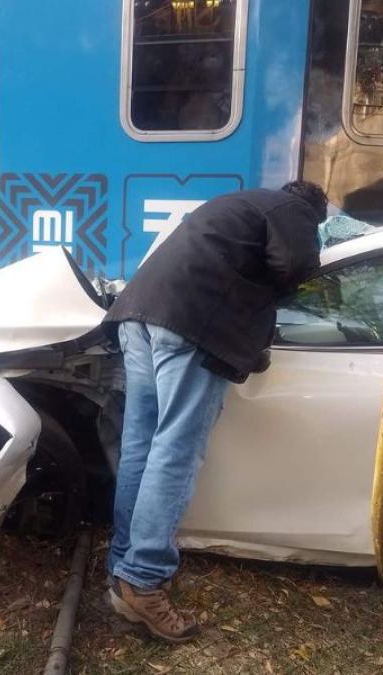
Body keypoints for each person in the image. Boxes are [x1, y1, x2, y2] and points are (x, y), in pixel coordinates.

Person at [102, 183, 325, 641]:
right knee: (175, 452)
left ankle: (123, 569)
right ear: (313, 209)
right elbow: (297, 265)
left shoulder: (236, 204)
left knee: (141, 448)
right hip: (191, 323)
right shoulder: (292, 209)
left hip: (139, 314)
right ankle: (143, 579)